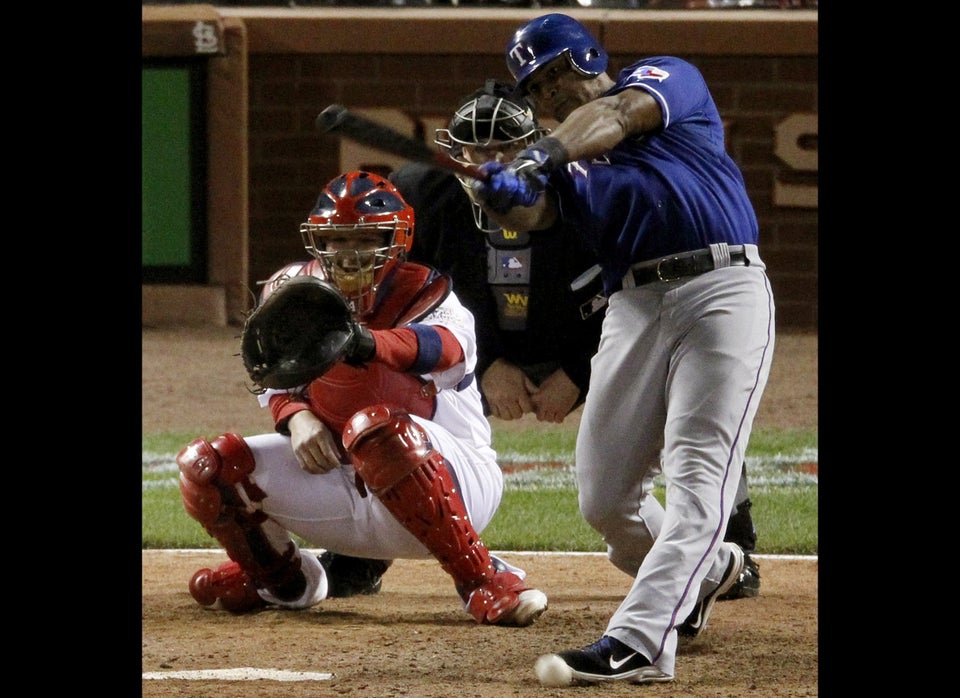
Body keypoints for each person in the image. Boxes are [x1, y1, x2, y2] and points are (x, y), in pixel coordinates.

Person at [324, 78, 763, 601]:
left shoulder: (586, 184)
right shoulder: (424, 194)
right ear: (453, 152)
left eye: (507, 146)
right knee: (391, 390)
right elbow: (411, 299)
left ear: (537, 144)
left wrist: (578, 372)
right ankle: (363, 552)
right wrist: (483, 365)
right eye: (476, 148)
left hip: (591, 331)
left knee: (684, 392)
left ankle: (733, 542)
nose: (491, 158)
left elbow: (633, 289)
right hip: (473, 341)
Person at [471, 14, 776, 685]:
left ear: (588, 55)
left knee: (700, 480)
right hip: (632, 306)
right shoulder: (565, 166)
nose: (552, 93)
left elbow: (618, 114)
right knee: (606, 499)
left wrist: (539, 157)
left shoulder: (664, 82)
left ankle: (639, 640)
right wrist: (502, 197)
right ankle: (706, 573)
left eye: (558, 73)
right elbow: (535, 215)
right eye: (538, 86)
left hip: (720, 288)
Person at [175, 170, 548, 627]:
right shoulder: (294, 289)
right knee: (208, 466)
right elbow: (272, 374)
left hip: (457, 482)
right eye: (337, 240)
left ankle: (482, 578)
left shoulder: (431, 292)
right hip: (340, 478)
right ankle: (279, 579)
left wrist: (364, 343)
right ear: (320, 241)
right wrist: (295, 417)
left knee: (375, 426)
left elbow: (441, 348)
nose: (349, 255)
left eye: (367, 239)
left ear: (396, 239)